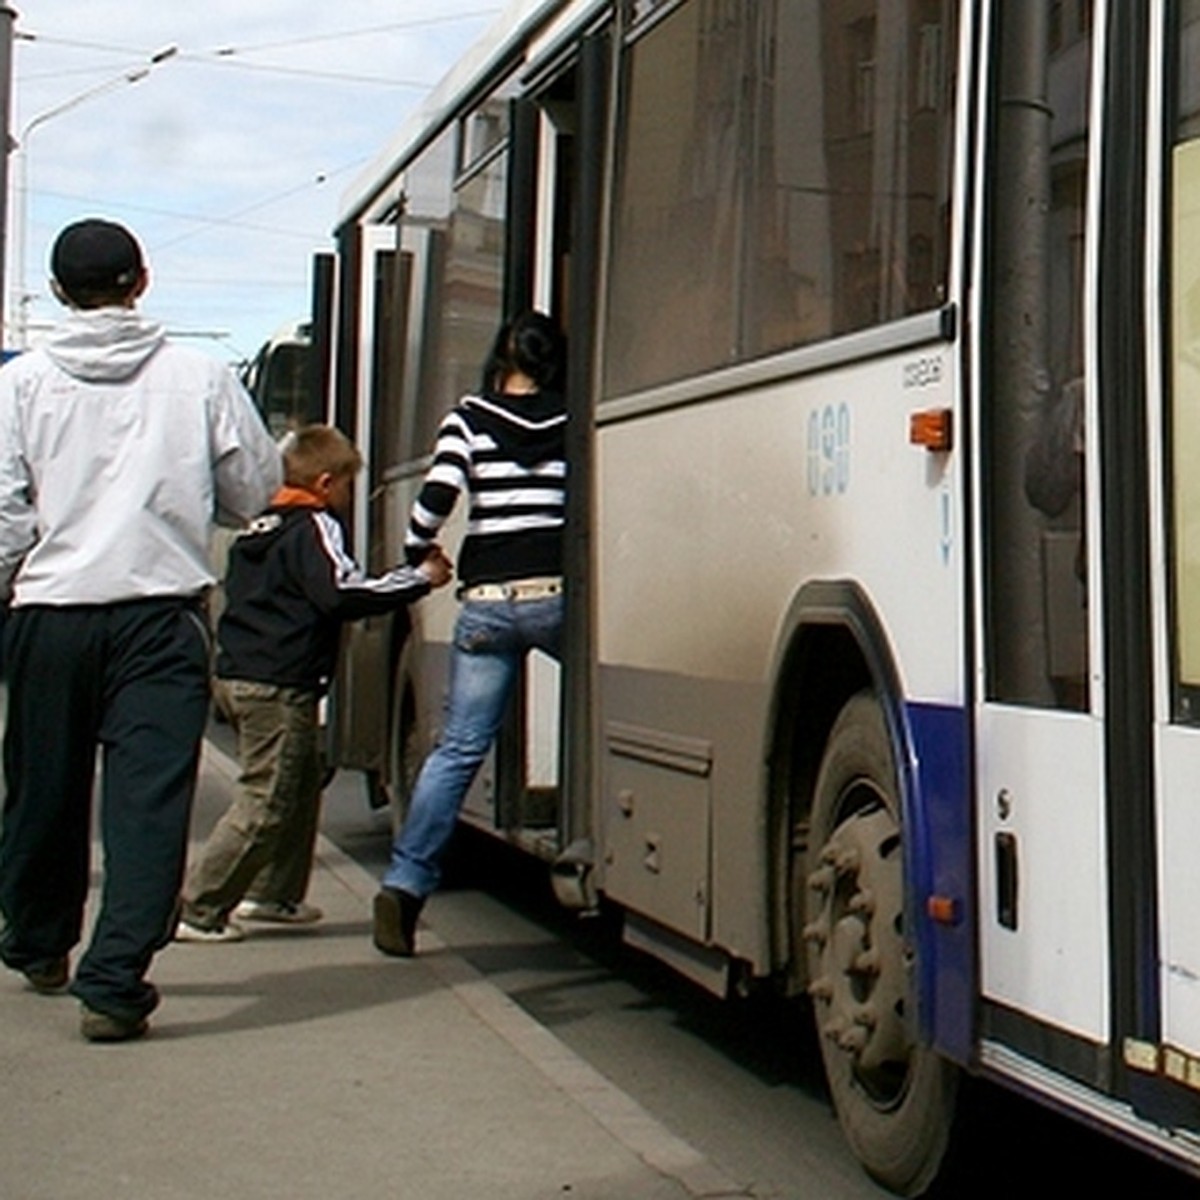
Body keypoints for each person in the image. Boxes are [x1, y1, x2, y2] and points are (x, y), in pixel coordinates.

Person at [0, 217, 282, 1041]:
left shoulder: (21, 384)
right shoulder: (201, 377)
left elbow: (5, 515)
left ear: (58, 292)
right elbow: (253, 487)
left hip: (50, 615)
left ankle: (40, 939)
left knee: (43, 792)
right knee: (149, 803)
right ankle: (116, 981)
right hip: (160, 621)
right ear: (141, 282)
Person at [176, 424, 452, 943]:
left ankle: (275, 893)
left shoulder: (259, 527)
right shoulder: (314, 525)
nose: (349, 499)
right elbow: (340, 593)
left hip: (241, 674)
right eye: (348, 486)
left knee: (301, 784)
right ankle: (201, 905)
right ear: (326, 483)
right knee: (268, 798)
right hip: (278, 682)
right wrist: (418, 579)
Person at [374, 310, 567, 957]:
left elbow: (436, 496)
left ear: (500, 361)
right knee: (607, 702)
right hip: (556, 597)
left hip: (486, 602)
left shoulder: (469, 418)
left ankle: (403, 886)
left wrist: (416, 552)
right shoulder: (572, 419)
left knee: (457, 750)